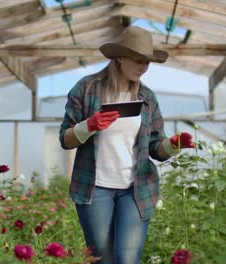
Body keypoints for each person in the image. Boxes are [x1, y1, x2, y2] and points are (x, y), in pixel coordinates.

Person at [59, 26, 195, 264]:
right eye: (138, 60)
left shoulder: (147, 97)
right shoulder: (87, 88)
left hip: (135, 190)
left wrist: (173, 144)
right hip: (94, 188)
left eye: (147, 62)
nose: (143, 67)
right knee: (102, 259)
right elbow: (65, 139)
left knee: (128, 259)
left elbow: (156, 148)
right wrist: (88, 125)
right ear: (119, 56)